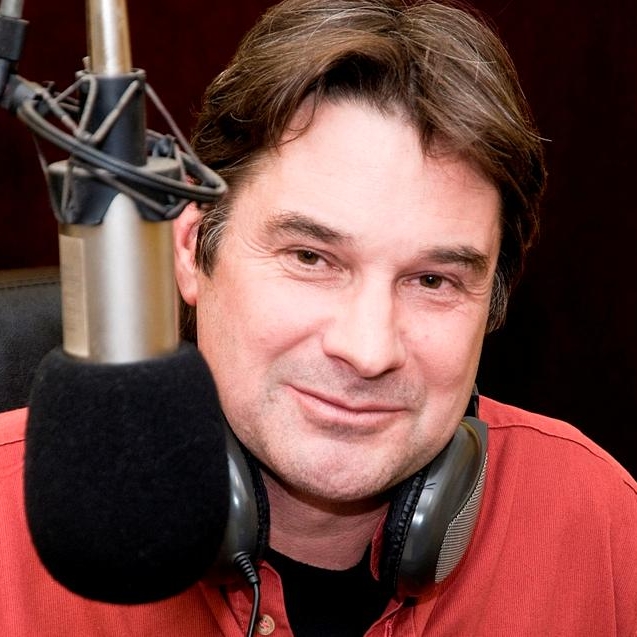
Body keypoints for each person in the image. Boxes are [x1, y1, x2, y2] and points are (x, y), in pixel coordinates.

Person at [1, 0, 636, 635]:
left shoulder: (604, 523)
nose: (368, 350)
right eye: (311, 257)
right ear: (193, 251)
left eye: (432, 280)